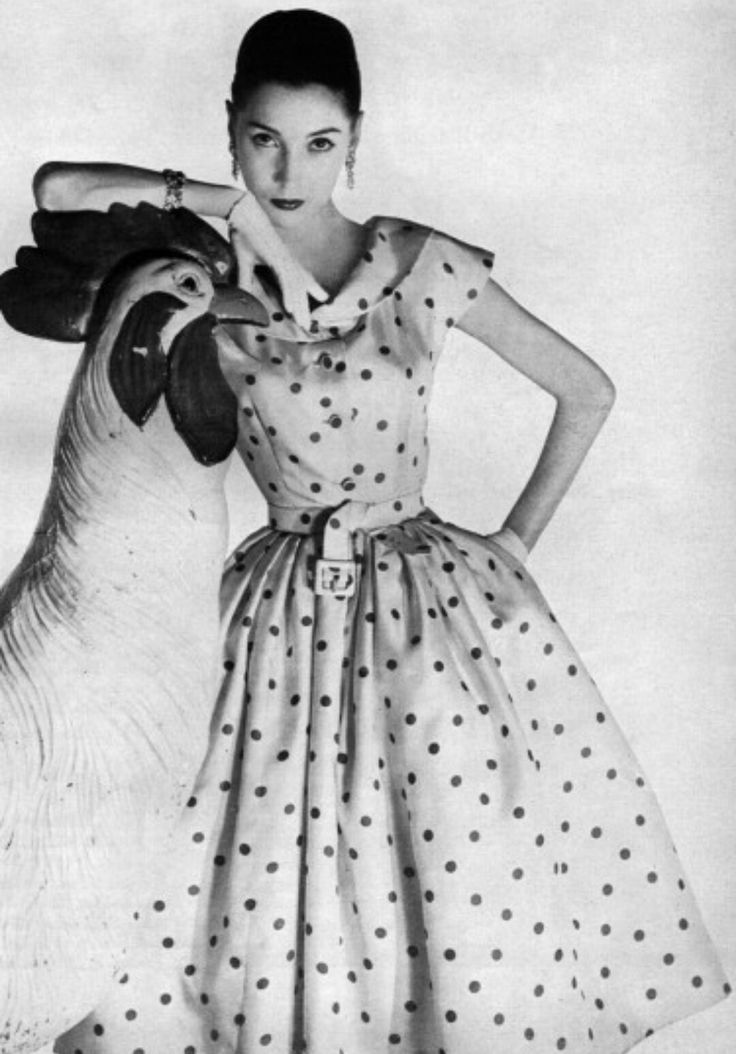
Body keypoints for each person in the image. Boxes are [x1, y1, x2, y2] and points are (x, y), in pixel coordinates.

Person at [30, 9, 730, 1053]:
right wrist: (222, 204)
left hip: (422, 620)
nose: (289, 169)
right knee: (240, 888)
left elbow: (586, 390)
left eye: (319, 142)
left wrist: (513, 544)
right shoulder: (209, 279)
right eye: (263, 139)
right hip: (270, 618)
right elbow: (56, 189)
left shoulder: (419, 264)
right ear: (230, 130)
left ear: (355, 138)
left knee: (446, 884)